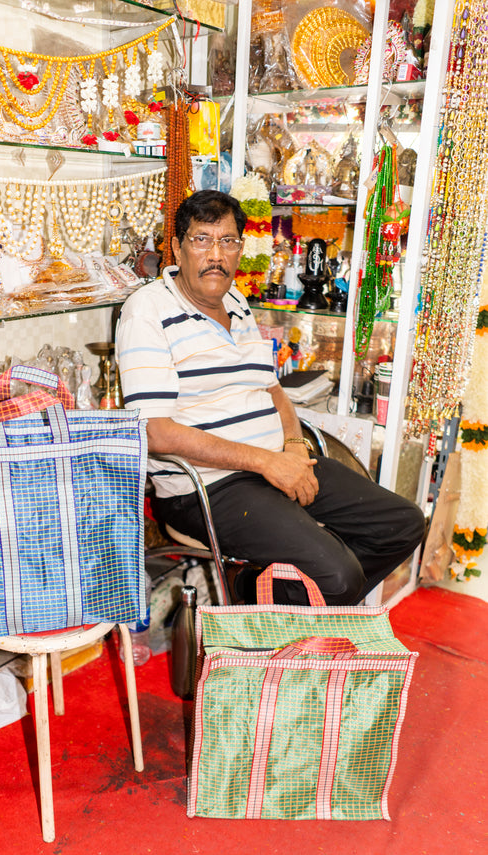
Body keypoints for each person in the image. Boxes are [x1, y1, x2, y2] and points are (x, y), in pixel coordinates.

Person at [116, 190, 425, 605]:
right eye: (201, 239)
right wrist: (268, 462)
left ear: (241, 248)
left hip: (275, 464)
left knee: (403, 523)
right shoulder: (146, 310)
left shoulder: (236, 302)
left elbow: (274, 390)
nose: (216, 254)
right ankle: (255, 592)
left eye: (228, 241)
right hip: (206, 486)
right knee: (337, 577)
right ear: (176, 246)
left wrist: (295, 448)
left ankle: (284, 601)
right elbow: (156, 433)